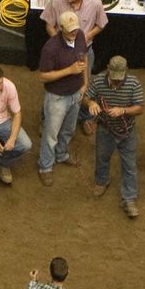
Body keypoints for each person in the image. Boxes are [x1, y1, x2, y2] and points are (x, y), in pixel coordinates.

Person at [40, 0, 110, 131]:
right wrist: (60, 41)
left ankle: (81, 117)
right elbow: (49, 25)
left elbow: (101, 24)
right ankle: (46, 121)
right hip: (60, 52)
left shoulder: (95, 4)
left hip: (83, 50)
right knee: (54, 85)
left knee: (82, 85)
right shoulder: (57, 2)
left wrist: (88, 35)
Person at [85, 55, 145, 219]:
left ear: (126, 71)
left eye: (120, 77)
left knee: (129, 164)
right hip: (105, 129)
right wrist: (91, 103)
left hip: (127, 131)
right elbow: (85, 97)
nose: (117, 82)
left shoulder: (133, 83)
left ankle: (129, 198)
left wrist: (123, 110)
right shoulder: (98, 81)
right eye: (114, 77)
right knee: (102, 157)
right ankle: (101, 181)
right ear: (108, 69)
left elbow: (139, 108)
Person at [36, 11, 90, 184]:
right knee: (51, 133)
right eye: (70, 31)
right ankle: (45, 166)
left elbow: (85, 58)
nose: (74, 33)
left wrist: (84, 84)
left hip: (76, 93)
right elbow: (43, 76)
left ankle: (62, 154)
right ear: (61, 29)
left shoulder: (80, 35)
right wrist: (69, 70)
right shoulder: (50, 48)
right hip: (57, 97)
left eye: (76, 29)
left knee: (68, 129)